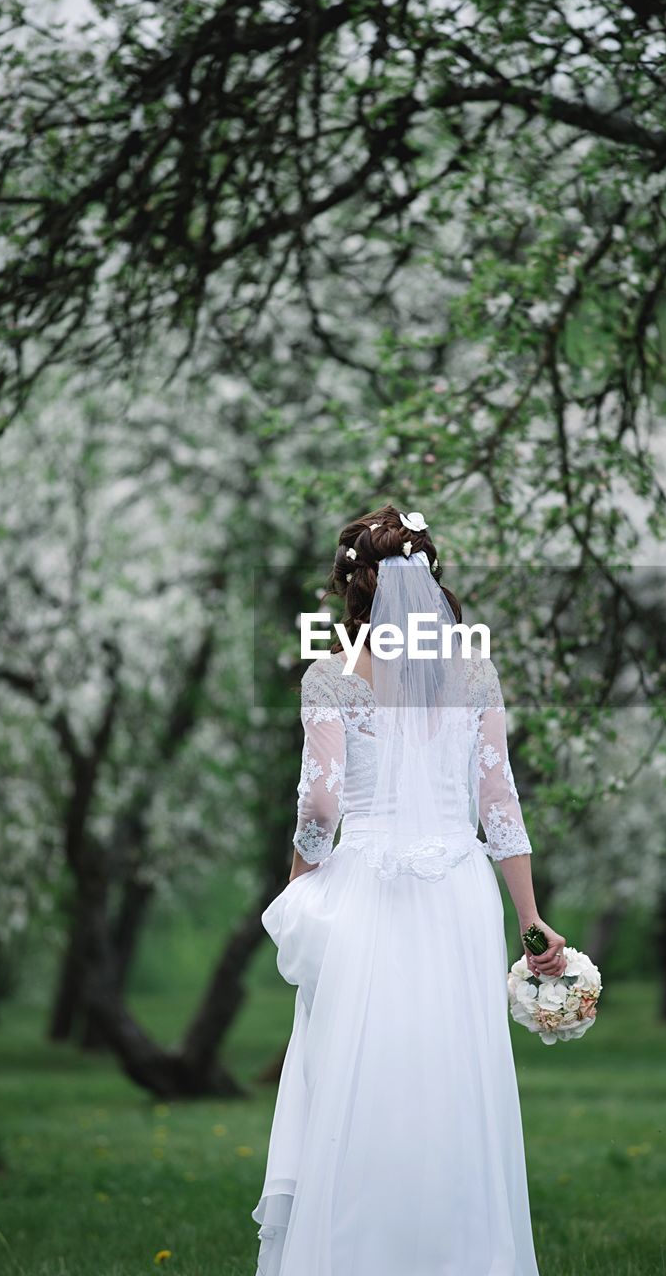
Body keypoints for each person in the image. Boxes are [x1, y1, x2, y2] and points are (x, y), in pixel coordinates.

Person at [251, 505, 566, 1276]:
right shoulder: (475, 674)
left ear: (350, 589)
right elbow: (500, 806)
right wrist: (531, 923)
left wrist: (301, 881)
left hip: (364, 888)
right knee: (455, 1079)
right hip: (458, 892)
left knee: (358, 1079)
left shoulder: (330, 677)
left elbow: (322, 806)